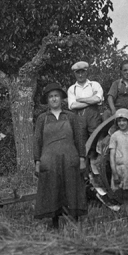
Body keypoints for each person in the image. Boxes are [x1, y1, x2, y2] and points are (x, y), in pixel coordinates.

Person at [34, 82, 88, 229]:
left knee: (72, 186)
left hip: (70, 157)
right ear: (47, 100)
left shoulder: (70, 117)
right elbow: (37, 141)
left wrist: (82, 158)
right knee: (52, 187)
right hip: (49, 159)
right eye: (50, 97)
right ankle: (55, 222)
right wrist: (38, 162)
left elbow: (79, 138)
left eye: (56, 96)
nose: (54, 99)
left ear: (62, 98)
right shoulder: (42, 119)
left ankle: (74, 219)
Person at [67, 61, 105, 139]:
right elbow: (72, 105)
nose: (80, 75)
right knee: (80, 141)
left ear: (86, 72)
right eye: (78, 73)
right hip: (79, 119)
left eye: (82, 72)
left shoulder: (94, 85)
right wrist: (91, 100)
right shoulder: (72, 89)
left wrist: (79, 99)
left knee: (96, 139)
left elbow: (98, 99)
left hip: (94, 118)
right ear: (75, 74)